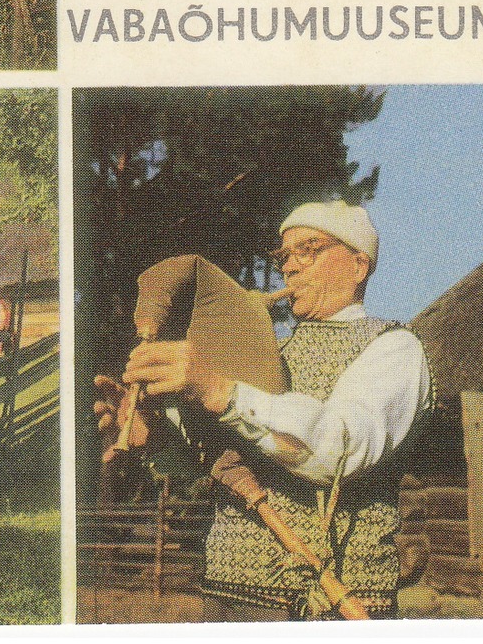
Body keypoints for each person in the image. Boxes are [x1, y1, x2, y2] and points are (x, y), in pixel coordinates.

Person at [96, 200, 431, 621]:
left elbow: (342, 447)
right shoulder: (270, 352)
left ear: (358, 266)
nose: (289, 267)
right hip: (225, 595)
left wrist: (219, 389)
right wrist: (158, 437)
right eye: (285, 255)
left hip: (325, 606)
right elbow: (221, 464)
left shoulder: (394, 346)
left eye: (308, 249)